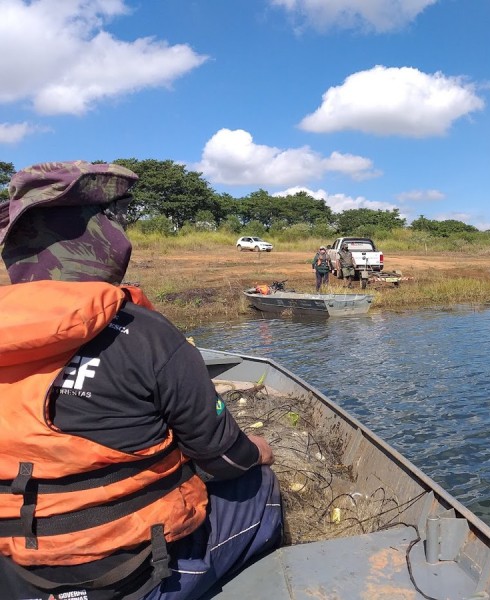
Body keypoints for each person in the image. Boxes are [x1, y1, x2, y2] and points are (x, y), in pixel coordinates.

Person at [0, 161, 282, 600]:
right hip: (134, 577)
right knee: (260, 484)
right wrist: (259, 450)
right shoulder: (145, 334)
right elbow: (223, 459)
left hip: (19, 576)